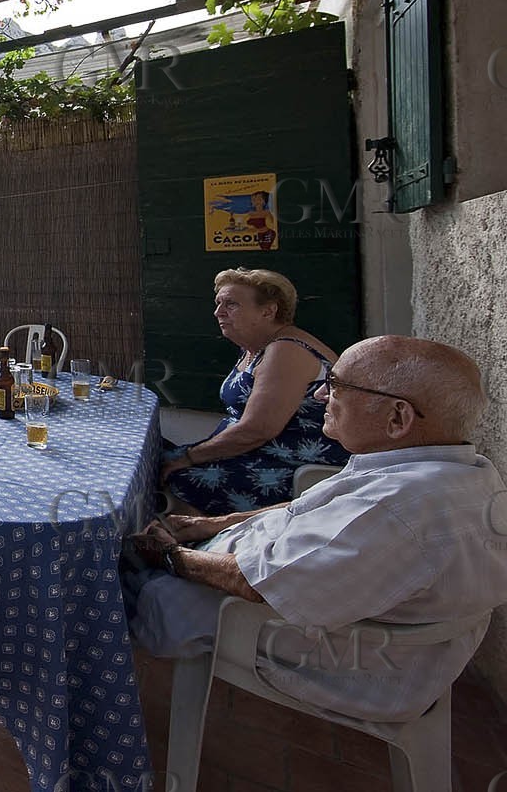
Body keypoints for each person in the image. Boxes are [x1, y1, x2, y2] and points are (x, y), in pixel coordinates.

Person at [128, 335, 507, 722]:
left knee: (119, 586)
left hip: (327, 654)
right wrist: (211, 524)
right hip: (323, 611)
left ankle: (102, 700)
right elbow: (305, 507)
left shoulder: (395, 509)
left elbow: (254, 582)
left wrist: (170, 556)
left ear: (398, 418)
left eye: (337, 385)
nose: (320, 395)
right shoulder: (459, 469)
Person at [161, 268, 343, 514]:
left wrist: (188, 457)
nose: (218, 312)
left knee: (174, 477)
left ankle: (197, 536)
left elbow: (257, 430)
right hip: (255, 453)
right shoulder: (255, 348)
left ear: (268, 311)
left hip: (292, 467)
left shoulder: (287, 350)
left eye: (231, 304)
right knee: (154, 457)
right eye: (218, 303)